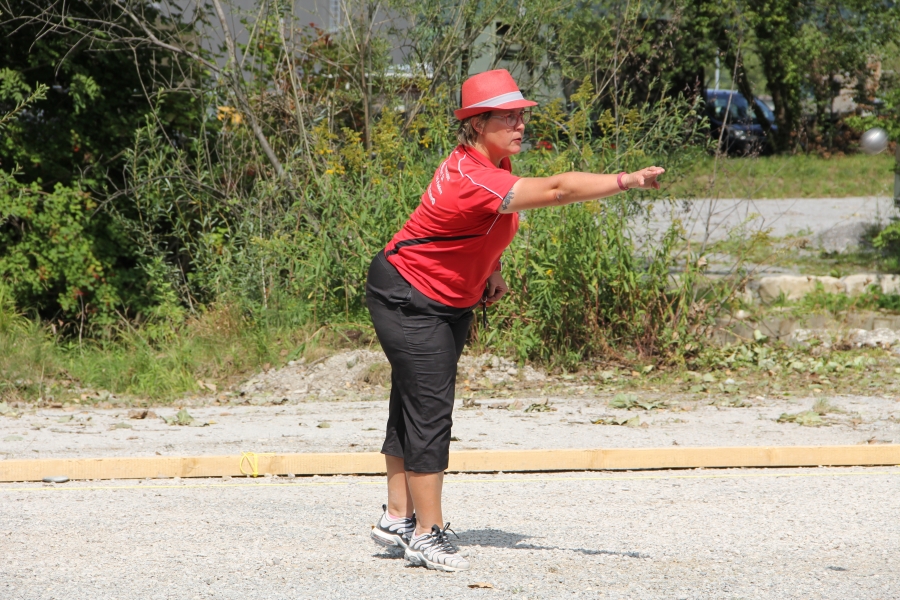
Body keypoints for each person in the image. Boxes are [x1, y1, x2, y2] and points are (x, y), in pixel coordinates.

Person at [366, 69, 664, 572]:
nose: (520, 123)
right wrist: (626, 180)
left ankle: (399, 515)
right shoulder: (475, 175)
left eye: (522, 114)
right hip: (410, 295)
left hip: (442, 295)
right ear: (478, 123)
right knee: (430, 409)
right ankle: (426, 533)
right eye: (509, 116)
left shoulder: (490, 159)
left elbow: (484, 226)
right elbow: (557, 191)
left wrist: (493, 268)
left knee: (413, 402)